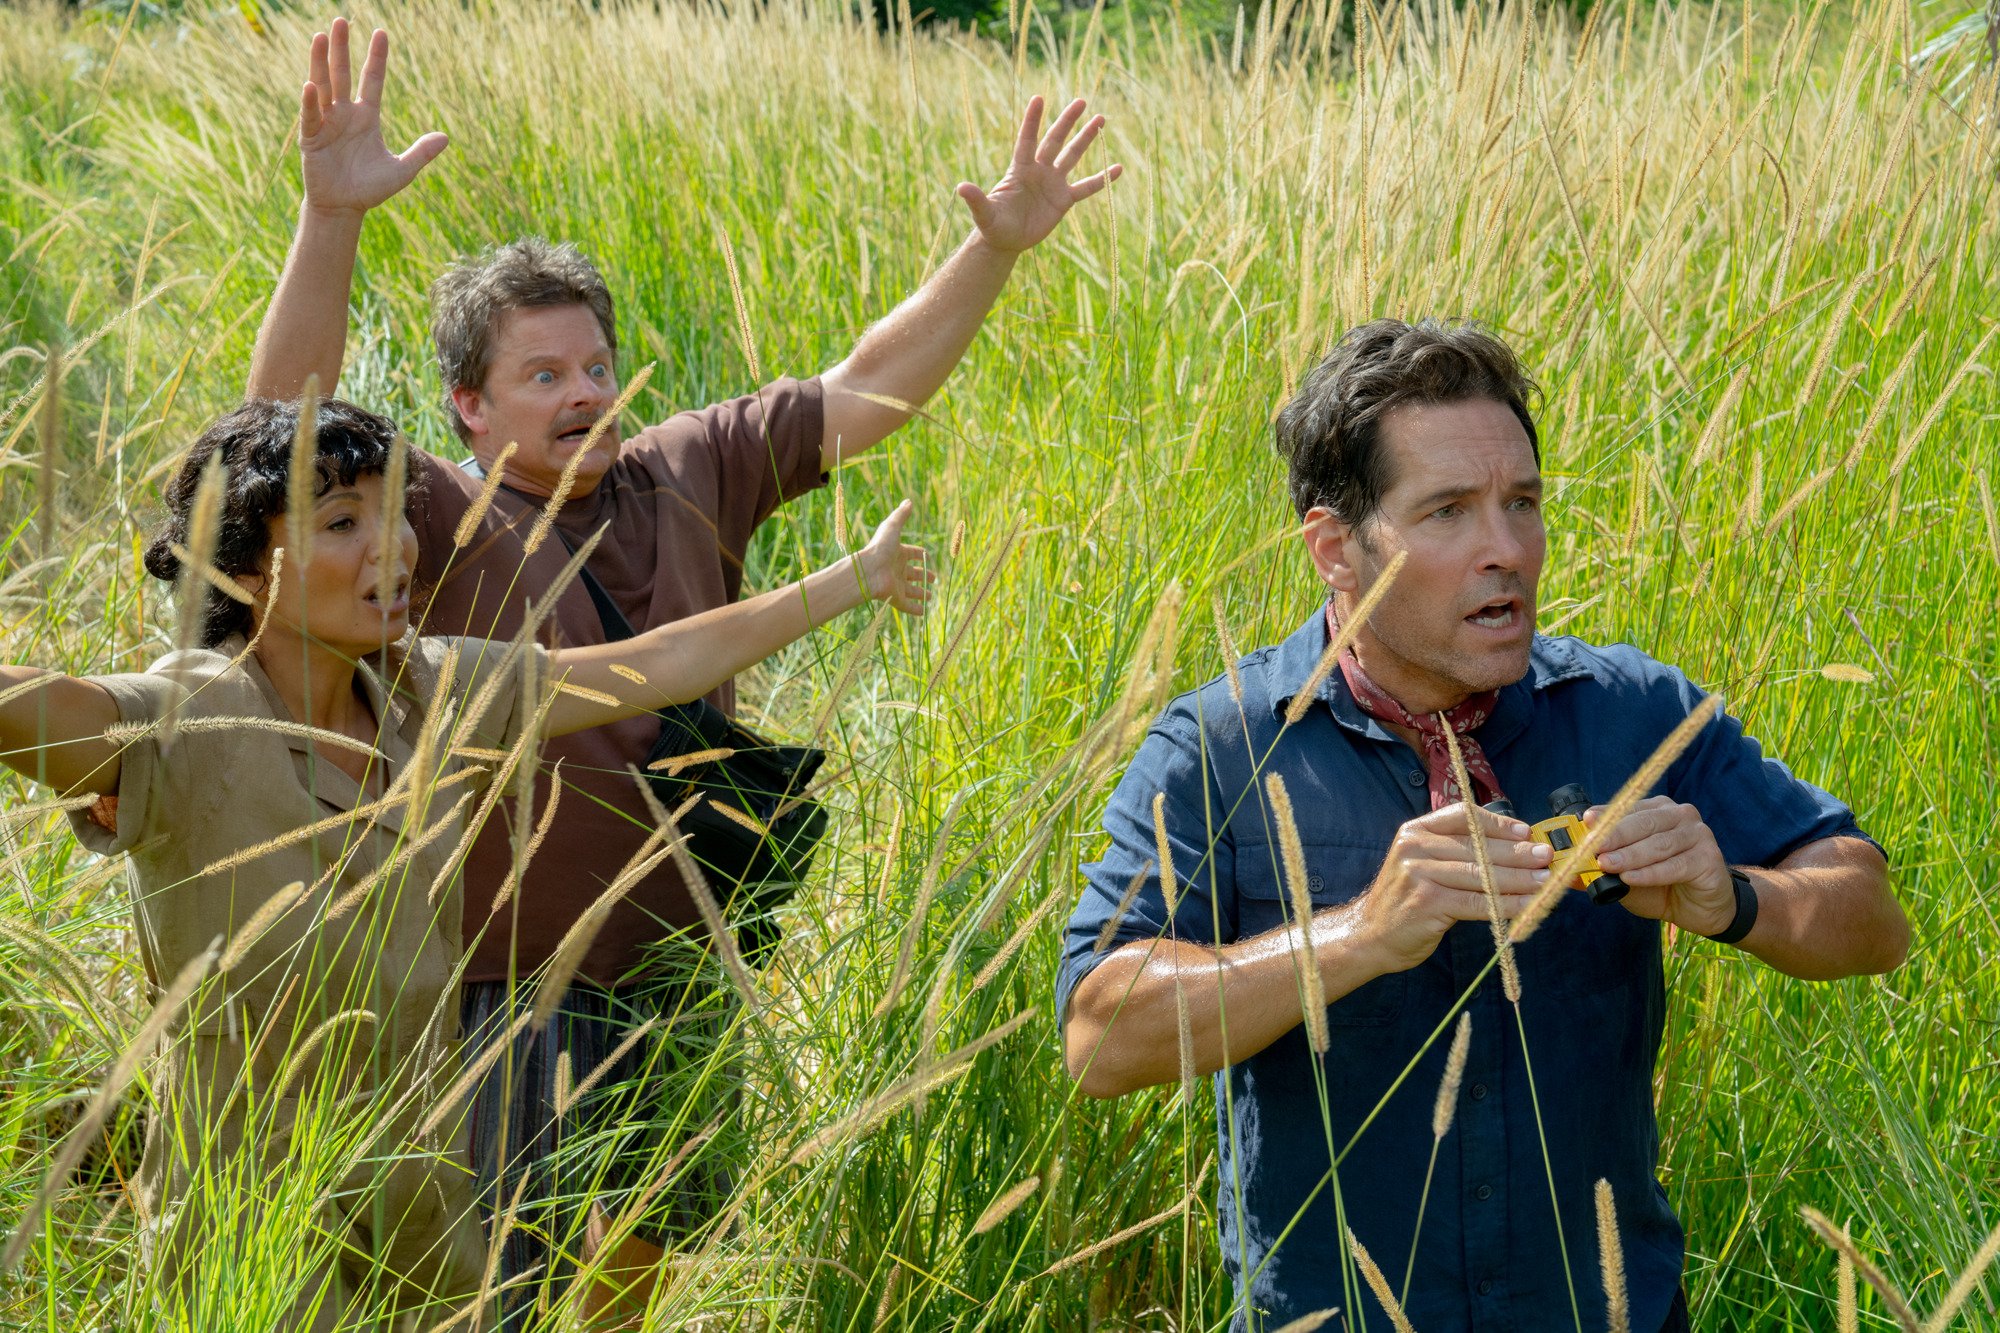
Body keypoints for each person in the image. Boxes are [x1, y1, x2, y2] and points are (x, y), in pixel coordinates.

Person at [241, 17, 1120, 1321]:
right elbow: (280, 429)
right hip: (497, 989)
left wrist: (991, 250)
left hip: (685, 966)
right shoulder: (433, 512)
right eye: (542, 374)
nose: (584, 391)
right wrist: (330, 218)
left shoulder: (691, 469)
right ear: (470, 407)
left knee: (648, 1261)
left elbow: (870, 389)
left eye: (596, 363)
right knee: (505, 1288)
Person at [0, 397, 926, 1330]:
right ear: (244, 566)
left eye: (397, 510)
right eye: (341, 524)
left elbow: (654, 664)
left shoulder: (428, 684)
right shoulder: (189, 721)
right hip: (254, 1245)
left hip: (425, 1233)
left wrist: (852, 578)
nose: (393, 546)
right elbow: (41, 710)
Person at [1057, 319, 1908, 1333]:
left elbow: (1871, 918)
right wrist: (1360, 934)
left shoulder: (1631, 710)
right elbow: (1100, 1035)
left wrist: (1732, 899)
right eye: (1448, 513)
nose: (1504, 550)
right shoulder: (1220, 748)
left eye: (1521, 503)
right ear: (1335, 547)